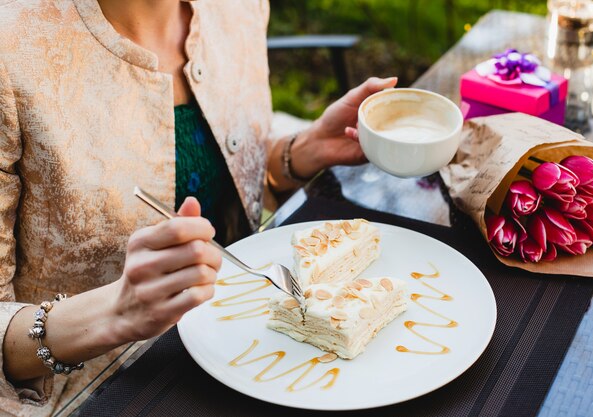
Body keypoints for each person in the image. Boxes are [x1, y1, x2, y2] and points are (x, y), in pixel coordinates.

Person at [0, 0, 397, 414]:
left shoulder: (238, 9)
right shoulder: (12, 49)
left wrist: (297, 153)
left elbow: (220, 168)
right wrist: (112, 313)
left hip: (258, 349)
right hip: (103, 394)